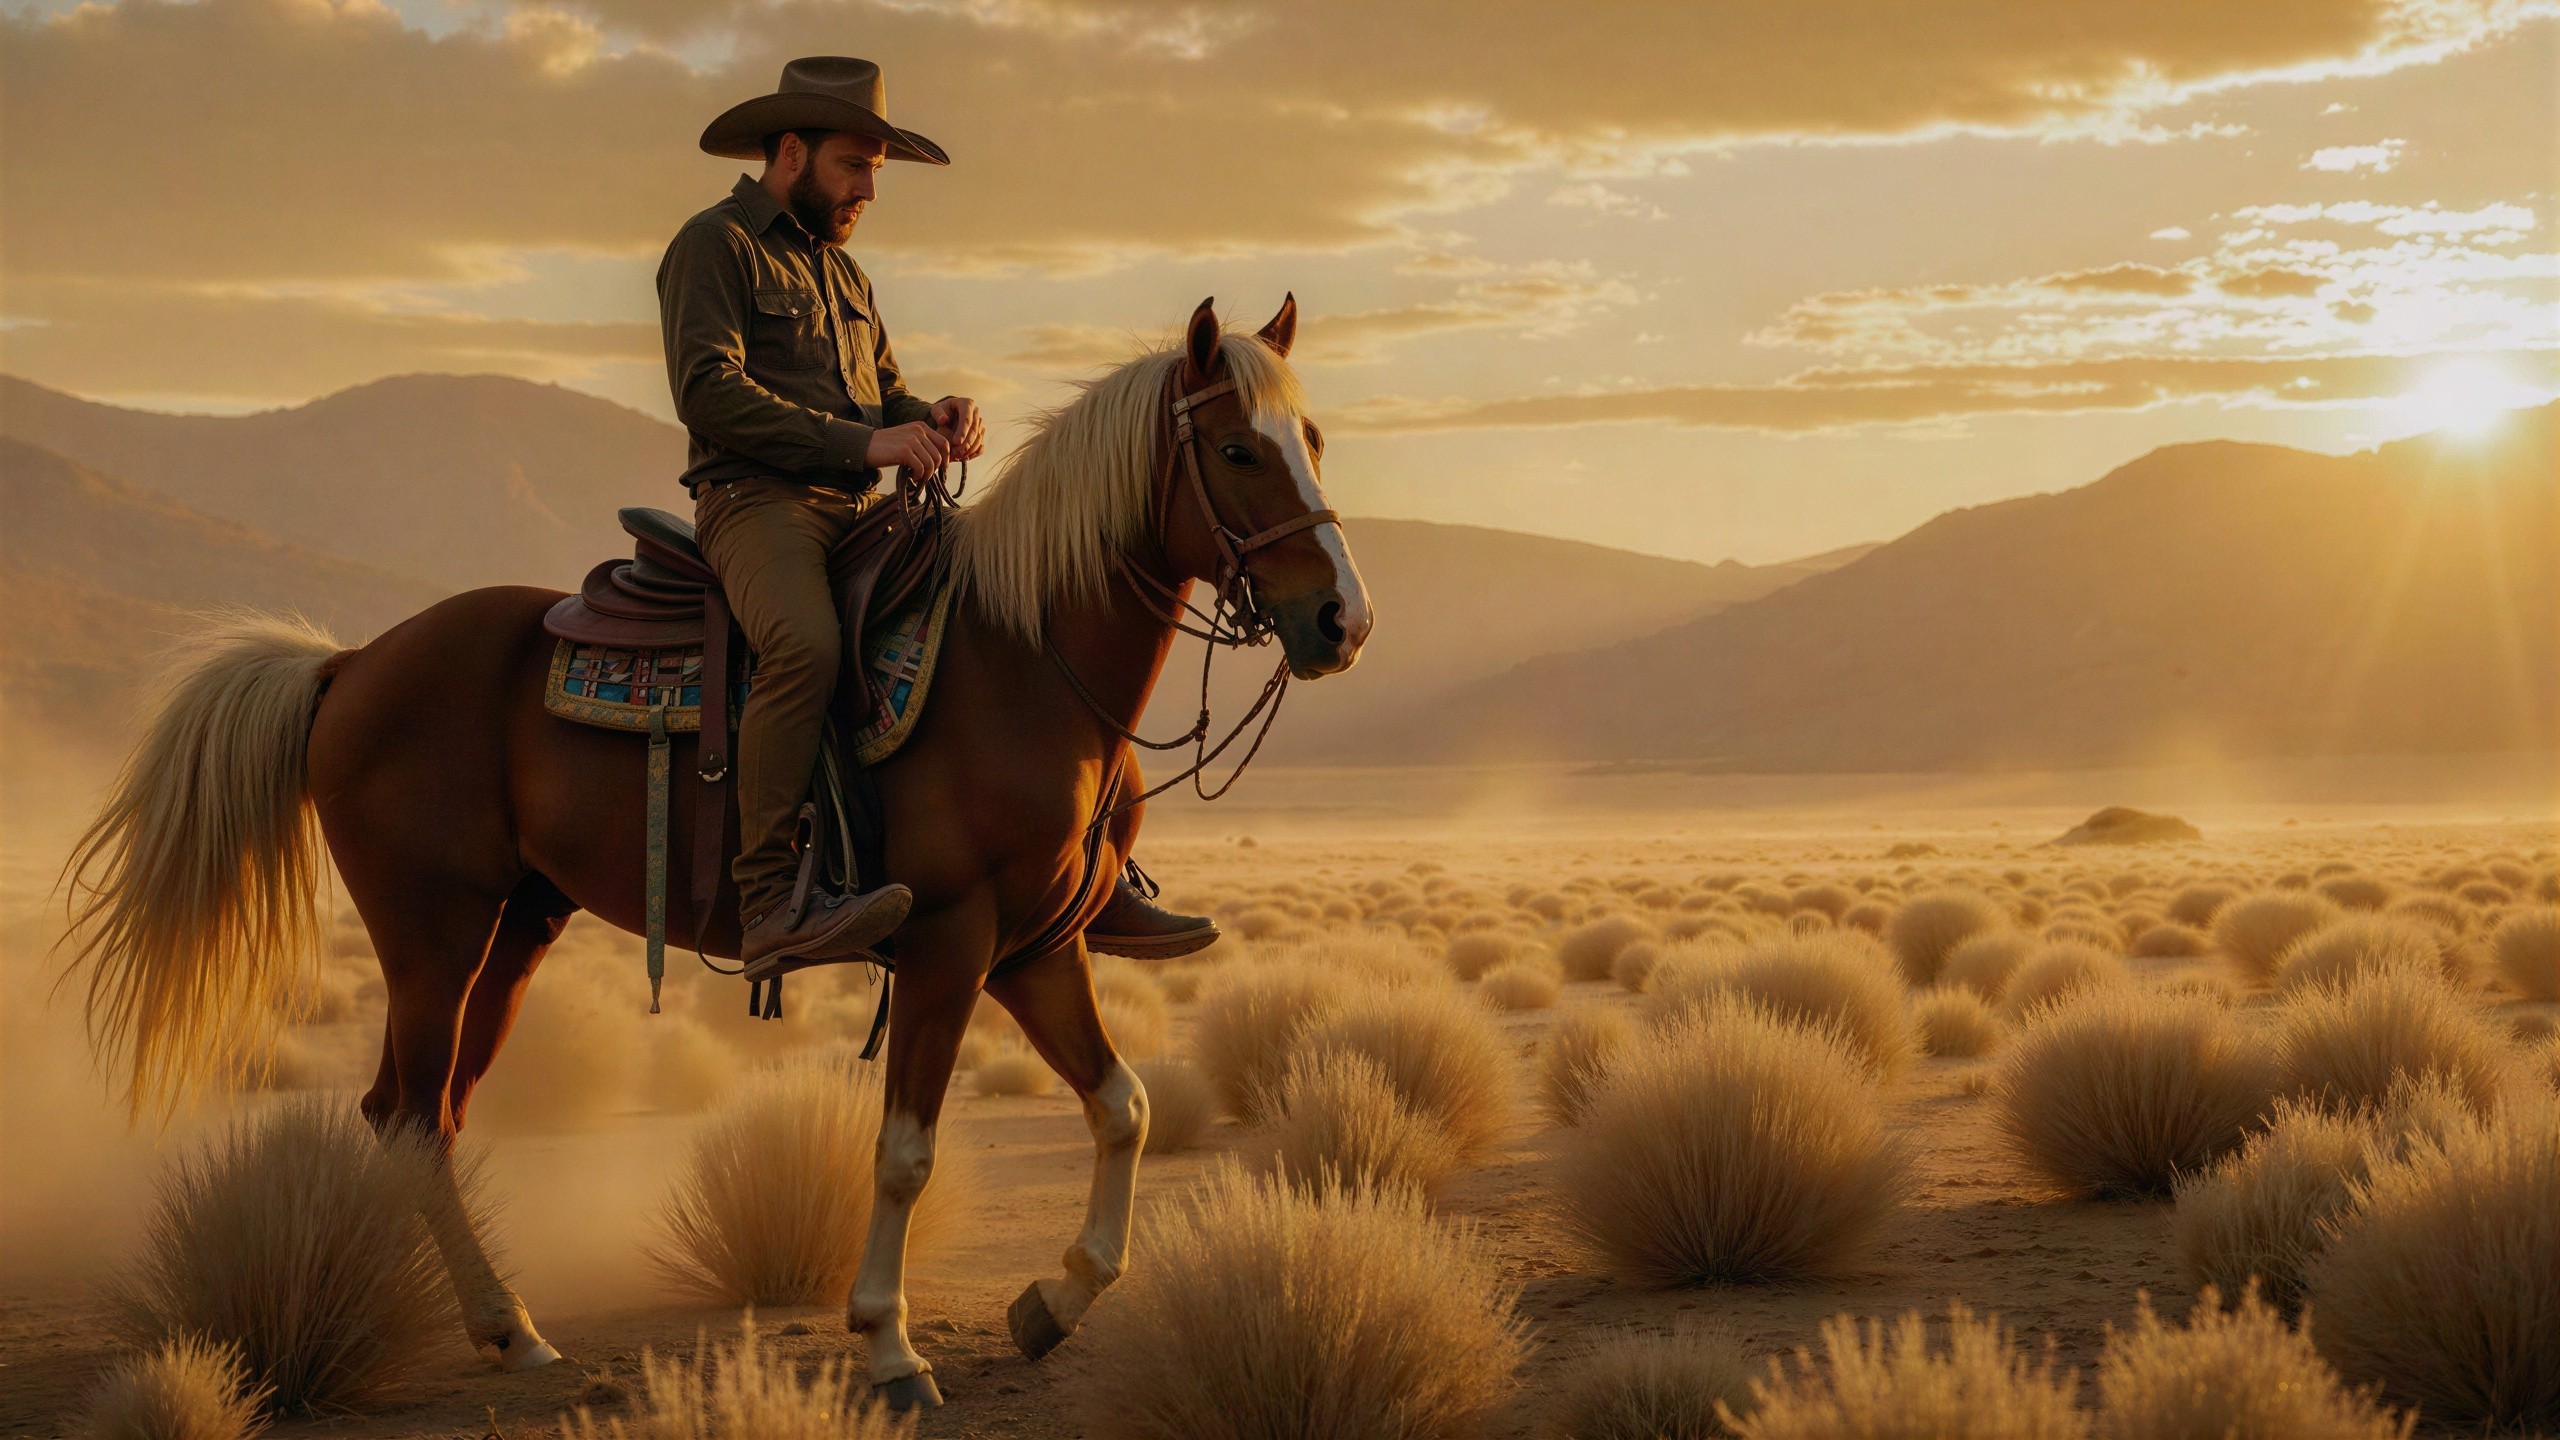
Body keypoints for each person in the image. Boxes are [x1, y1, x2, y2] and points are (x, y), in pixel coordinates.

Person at [660, 57, 1217, 982]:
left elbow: (879, 397)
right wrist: (866, 447)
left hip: (858, 509)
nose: (869, 190)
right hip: (758, 506)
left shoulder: (846, 274)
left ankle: (1092, 865)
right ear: (790, 152)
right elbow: (710, 393)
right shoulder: (713, 246)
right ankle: (768, 901)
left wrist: (928, 418)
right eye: (854, 166)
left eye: (877, 171)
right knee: (804, 646)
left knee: (1007, 632)